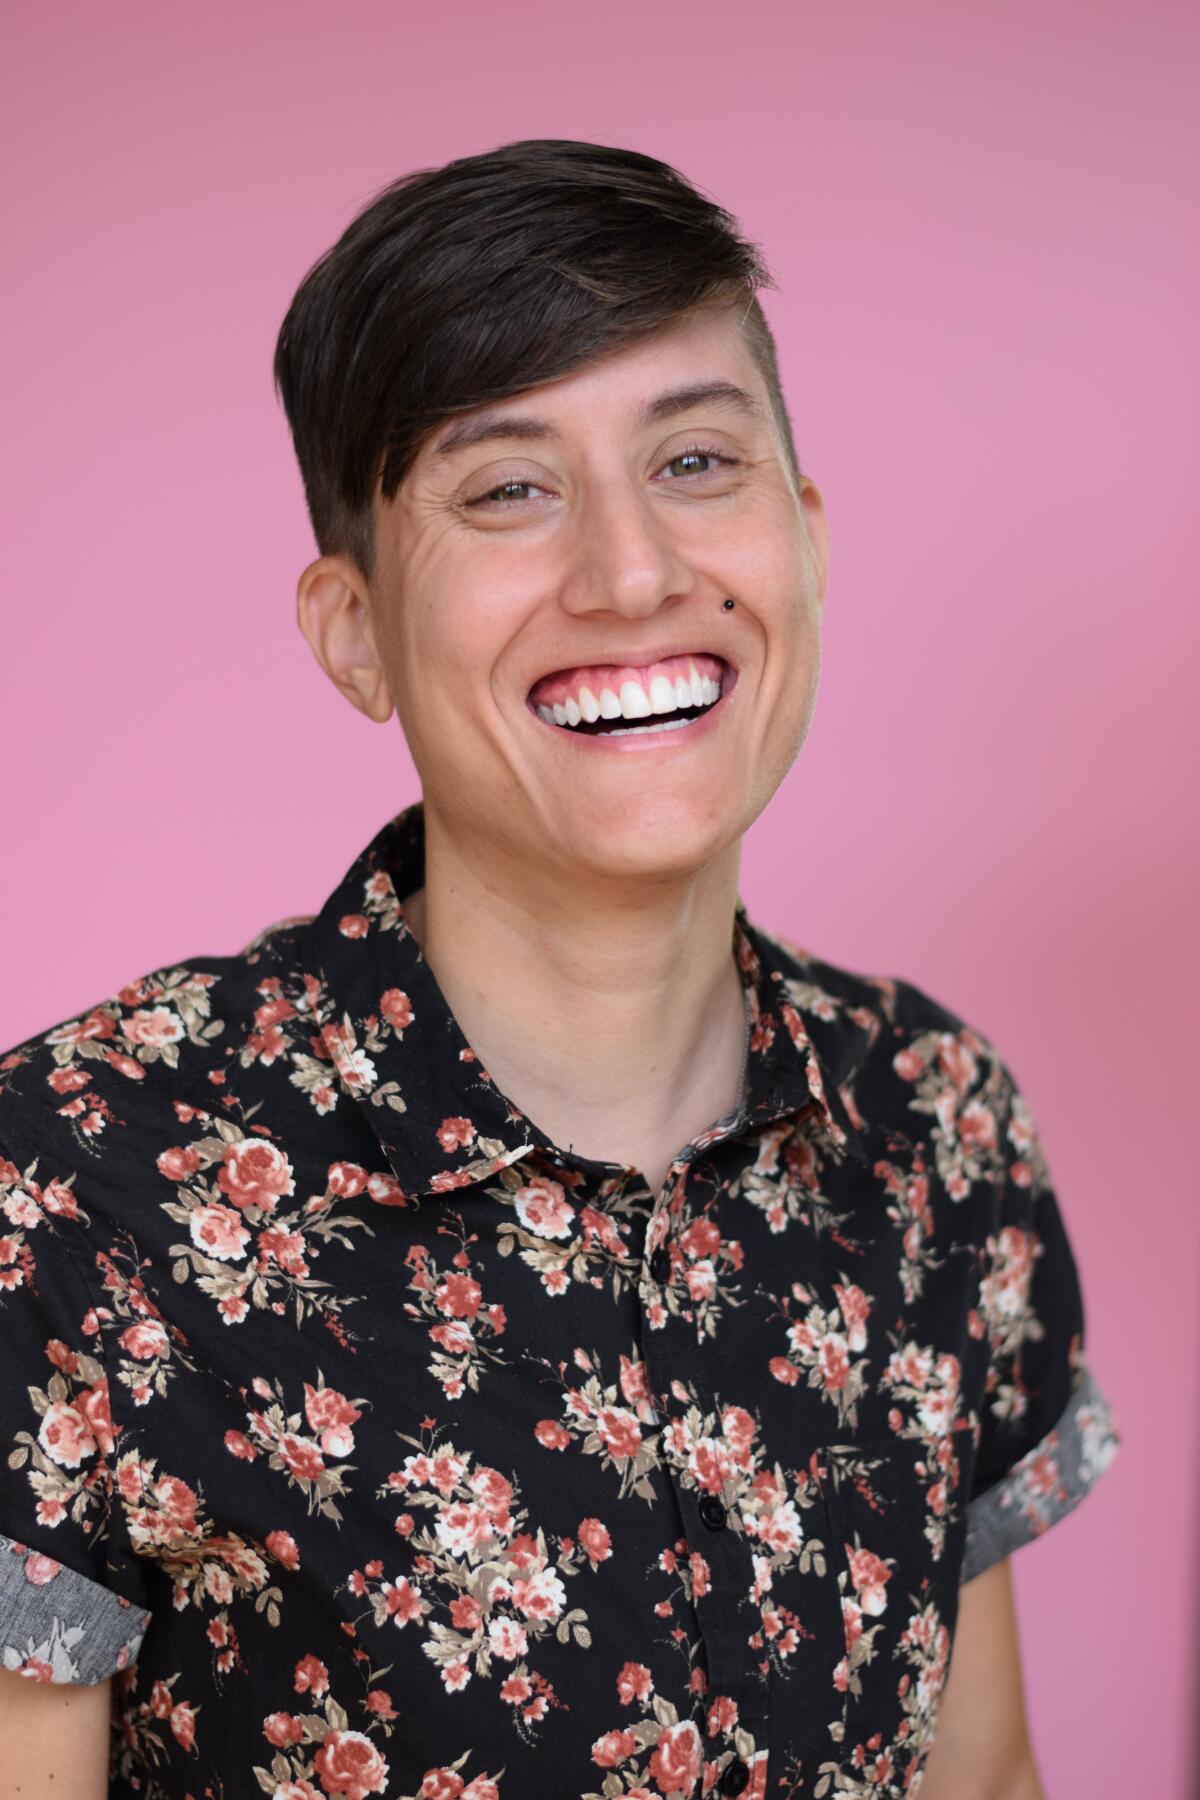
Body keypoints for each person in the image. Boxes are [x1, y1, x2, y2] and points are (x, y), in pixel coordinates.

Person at [0, 138, 1120, 1800]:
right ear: (354, 628)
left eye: (695, 460)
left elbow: (988, 1779)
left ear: (804, 541)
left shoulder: (937, 1123)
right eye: (509, 488)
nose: (635, 574)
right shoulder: (81, 1181)